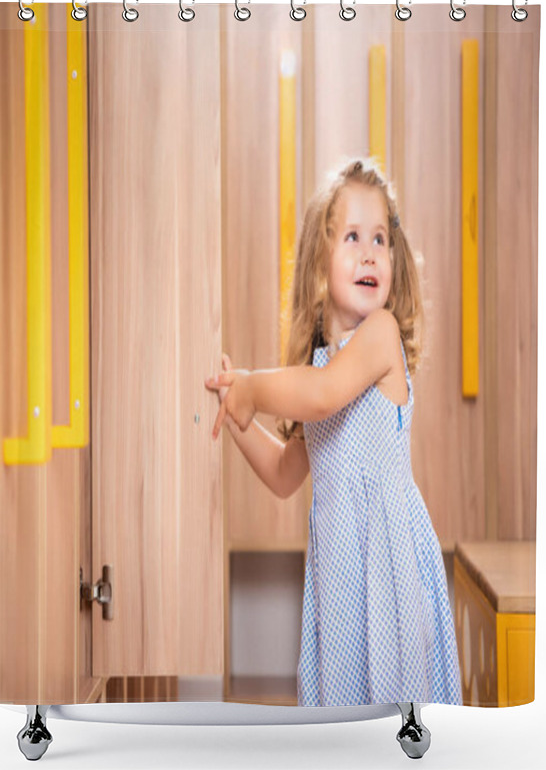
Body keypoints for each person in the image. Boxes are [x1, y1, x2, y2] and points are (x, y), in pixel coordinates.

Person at [205, 157, 462, 707]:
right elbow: (282, 473)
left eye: (379, 239)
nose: (370, 252)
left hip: (390, 575)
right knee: (343, 719)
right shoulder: (324, 368)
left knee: (392, 713)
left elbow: (322, 392)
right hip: (342, 583)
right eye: (352, 236)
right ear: (321, 262)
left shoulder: (379, 337)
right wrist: (235, 409)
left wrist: (253, 386)